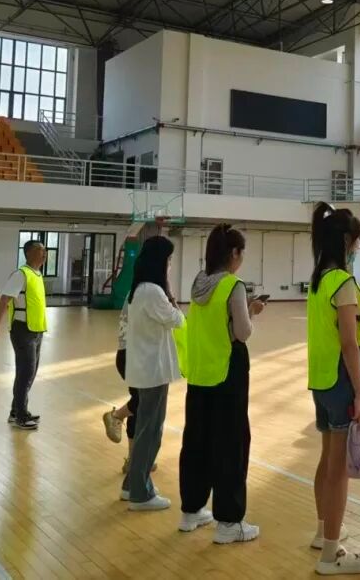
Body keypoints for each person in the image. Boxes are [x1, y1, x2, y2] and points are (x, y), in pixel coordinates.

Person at [176, 224, 264, 543]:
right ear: (234, 253)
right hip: (227, 370)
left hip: (200, 371)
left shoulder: (198, 283)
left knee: (196, 442)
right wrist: (252, 311)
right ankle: (229, 522)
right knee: (231, 443)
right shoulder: (232, 285)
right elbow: (242, 332)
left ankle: (191, 511)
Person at [306, 203, 360, 576]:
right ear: (348, 240)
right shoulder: (343, 283)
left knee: (327, 461)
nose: (359, 247)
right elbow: (350, 343)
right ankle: (331, 556)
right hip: (342, 381)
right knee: (339, 470)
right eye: (358, 240)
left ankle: (324, 532)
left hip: (321, 381)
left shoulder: (320, 280)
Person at [122, 235, 184, 511]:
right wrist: (172, 301)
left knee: (146, 429)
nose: (170, 265)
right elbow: (177, 319)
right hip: (153, 370)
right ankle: (140, 494)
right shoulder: (153, 292)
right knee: (150, 432)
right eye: (168, 259)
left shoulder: (140, 289)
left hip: (146, 368)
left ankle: (132, 485)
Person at [0, 240, 49, 429]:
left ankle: (17, 411)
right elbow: (4, 300)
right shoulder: (20, 274)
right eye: (39, 250)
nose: (44, 253)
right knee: (25, 372)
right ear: (28, 253)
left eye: (45, 250)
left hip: (36, 329)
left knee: (30, 371)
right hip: (22, 330)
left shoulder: (37, 274)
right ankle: (21, 417)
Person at [103, 298, 139, 474]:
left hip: (132, 354)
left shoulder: (141, 290)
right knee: (143, 400)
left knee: (139, 405)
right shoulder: (146, 292)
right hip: (133, 355)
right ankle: (116, 415)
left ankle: (133, 459)